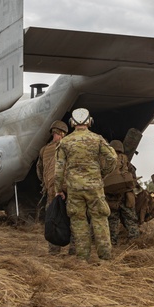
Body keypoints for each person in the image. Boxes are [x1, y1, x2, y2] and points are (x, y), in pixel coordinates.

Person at [55, 108, 117, 262]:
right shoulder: (97, 139)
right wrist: (102, 173)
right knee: (100, 219)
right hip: (94, 187)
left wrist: (58, 189)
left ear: (72, 123)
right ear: (90, 122)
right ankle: (105, 258)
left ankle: (82, 258)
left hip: (74, 189)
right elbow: (113, 158)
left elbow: (58, 169)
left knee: (78, 221)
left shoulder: (65, 142)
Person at [36, 120, 68, 254]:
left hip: (51, 191)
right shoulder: (68, 147)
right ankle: (74, 251)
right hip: (68, 191)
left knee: (53, 220)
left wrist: (48, 185)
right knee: (73, 220)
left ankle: (54, 251)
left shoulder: (44, 150)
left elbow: (39, 171)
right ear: (63, 133)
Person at [105, 140, 140, 245]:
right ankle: (134, 240)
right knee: (130, 219)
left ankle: (113, 241)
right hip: (125, 195)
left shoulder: (106, 161)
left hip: (111, 196)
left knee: (112, 219)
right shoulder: (126, 161)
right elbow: (133, 177)